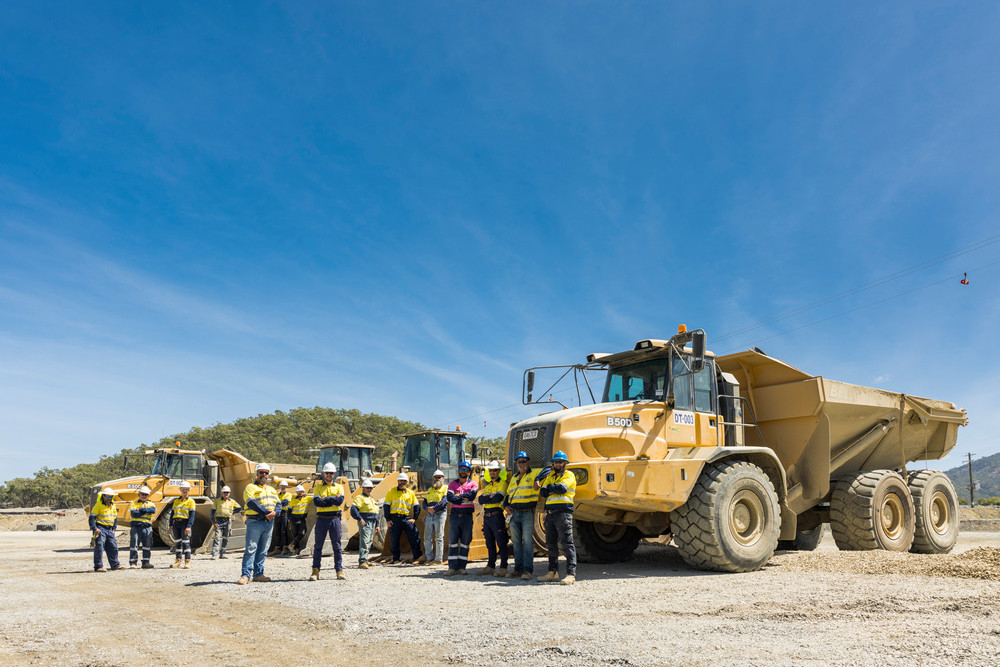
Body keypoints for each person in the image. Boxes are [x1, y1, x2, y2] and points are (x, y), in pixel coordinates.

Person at [537, 450, 577, 585]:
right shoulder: (551, 476)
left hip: (563, 514)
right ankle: (552, 572)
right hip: (550, 514)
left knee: (567, 544)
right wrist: (549, 487)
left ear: (565, 463)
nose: (558, 464)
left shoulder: (569, 475)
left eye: (560, 462)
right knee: (551, 544)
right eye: (555, 462)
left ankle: (571, 574)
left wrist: (549, 487)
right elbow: (542, 492)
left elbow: (562, 489)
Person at [239, 462, 279, 585]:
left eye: (266, 473)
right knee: (251, 549)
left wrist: (275, 513)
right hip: (255, 521)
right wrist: (266, 513)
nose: (263, 475)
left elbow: (279, 504)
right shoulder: (250, 487)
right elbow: (251, 502)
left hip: (269, 523)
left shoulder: (272, 490)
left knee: (263, 550)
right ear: (256, 474)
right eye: (261, 472)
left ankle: (258, 574)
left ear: (268, 475)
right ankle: (245, 575)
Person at [504, 450, 541, 580]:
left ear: (528, 462)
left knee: (528, 543)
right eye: (519, 462)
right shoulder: (514, 477)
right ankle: (518, 570)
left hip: (527, 513)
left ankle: (527, 571)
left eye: (524, 461)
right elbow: (509, 494)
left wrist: (538, 479)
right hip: (514, 514)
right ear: (517, 464)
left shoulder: (535, 472)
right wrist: (506, 506)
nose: (522, 464)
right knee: (516, 543)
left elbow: (548, 469)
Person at [310, 463, 346, 581]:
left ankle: (339, 571)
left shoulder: (339, 487)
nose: (329, 475)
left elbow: (339, 501)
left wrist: (325, 499)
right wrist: (333, 499)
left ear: (334, 474)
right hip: (322, 520)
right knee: (318, 546)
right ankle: (315, 571)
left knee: (337, 546)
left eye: (331, 473)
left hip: (335, 520)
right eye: (327, 473)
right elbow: (317, 502)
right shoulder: (318, 487)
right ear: (323, 474)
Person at [444, 461, 478, 576]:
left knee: (465, 542)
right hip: (455, 517)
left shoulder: (473, 484)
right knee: (453, 542)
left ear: (469, 472)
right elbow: (450, 497)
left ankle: (462, 567)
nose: (463, 472)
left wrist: (459, 495)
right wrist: (462, 498)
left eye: (465, 470)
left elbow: (472, 496)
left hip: (467, 517)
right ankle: (452, 567)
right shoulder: (452, 484)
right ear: (458, 470)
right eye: (461, 469)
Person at [477, 460, 509, 577]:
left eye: (495, 470)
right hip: (487, 516)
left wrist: (487, 498)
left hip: (496, 515)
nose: (492, 473)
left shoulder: (503, 483)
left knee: (501, 542)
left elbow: (498, 498)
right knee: (489, 543)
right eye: (490, 471)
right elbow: (480, 500)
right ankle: (490, 566)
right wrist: (488, 497)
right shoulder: (488, 485)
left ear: (499, 471)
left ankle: (503, 567)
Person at [383, 472, 422, 565]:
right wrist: (388, 520)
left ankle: (416, 557)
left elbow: (417, 506)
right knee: (394, 540)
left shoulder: (410, 493)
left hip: (406, 519)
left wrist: (414, 519)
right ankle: (396, 559)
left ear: (407, 482)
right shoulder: (391, 491)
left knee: (414, 537)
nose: (402, 482)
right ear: (398, 481)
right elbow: (386, 506)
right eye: (401, 480)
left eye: (404, 481)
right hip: (394, 519)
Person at [90, 487, 123, 572]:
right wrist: (95, 528)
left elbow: (115, 518)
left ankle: (115, 565)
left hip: (110, 529)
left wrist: (114, 529)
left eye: (111, 497)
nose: (109, 498)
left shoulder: (113, 505)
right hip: (100, 528)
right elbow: (92, 518)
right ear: (103, 496)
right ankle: (98, 567)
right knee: (99, 548)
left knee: (113, 547)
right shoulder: (98, 505)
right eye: (107, 496)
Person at [349, 478, 380, 569]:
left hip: (373, 521)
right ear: (363, 488)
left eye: (370, 488)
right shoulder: (360, 498)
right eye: (367, 488)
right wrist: (360, 519)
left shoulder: (371, 499)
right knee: (364, 541)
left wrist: (377, 525)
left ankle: (365, 560)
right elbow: (353, 510)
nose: (369, 490)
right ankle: (362, 561)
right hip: (365, 522)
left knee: (369, 541)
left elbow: (375, 512)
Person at [421, 469, 448, 565]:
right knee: (427, 537)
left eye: (439, 477)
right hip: (429, 514)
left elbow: (444, 501)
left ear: (443, 478)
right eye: (436, 477)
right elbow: (424, 502)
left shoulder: (445, 488)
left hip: (440, 514)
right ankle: (429, 557)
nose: (437, 479)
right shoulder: (430, 490)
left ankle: (438, 559)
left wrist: (435, 508)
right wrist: (427, 508)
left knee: (439, 537)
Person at [169, 481, 196, 569]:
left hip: (185, 523)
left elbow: (192, 515)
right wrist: (170, 526)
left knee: (186, 543)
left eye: (186, 489)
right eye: (183, 489)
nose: (185, 491)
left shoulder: (191, 501)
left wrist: (189, 526)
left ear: (189, 490)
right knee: (178, 543)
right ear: (180, 490)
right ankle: (178, 561)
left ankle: (187, 561)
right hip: (176, 523)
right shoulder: (176, 501)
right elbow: (172, 514)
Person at [128, 486, 156, 569]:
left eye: (146, 495)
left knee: (147, 545)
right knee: (134, 545)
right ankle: (133, 563)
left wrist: (140, 509)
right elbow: (134, 514)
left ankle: (146, 562)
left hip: (147, 527)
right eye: (142, 494)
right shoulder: (133, 503)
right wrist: (146, 510)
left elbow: (153, 510)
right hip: (136, 527)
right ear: (139, 494)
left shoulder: (151, 504)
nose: (144, 496)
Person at [210, 485, 240, 559]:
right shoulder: (217, 501)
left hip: (227, 521)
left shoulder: (232, 502)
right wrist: (213, 522)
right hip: (219, 521)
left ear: (229, 493)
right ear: (222, 493)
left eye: (227, 492)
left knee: (226, 537)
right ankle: (214, 554)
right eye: (224, 492)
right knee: (217, 537)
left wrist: (232, 512)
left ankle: (223, 554)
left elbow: (239, 508)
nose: (226, 494)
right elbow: (212, 512)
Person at [270, 480, 292, 556]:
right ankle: (277, 548)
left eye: (284, 487)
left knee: (284, 531)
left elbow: (285, 502)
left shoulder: (288, 495)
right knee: (277, 531)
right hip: (277, 515)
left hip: (284, 514)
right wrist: (279, 504)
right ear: (280, 487)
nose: (283, 488)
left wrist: (278, 504)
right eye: (282, 486)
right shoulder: (277, 495)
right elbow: (274, 502)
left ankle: (285, 548)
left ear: (286, 487)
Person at [287, 484, 310, 555]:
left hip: (302, 518)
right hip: (293, 519)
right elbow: (289, 510)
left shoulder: (307, 499)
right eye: (299, 491)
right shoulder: (293, 501)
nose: (300, 493)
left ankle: (292, 544)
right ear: (296, 492)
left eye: (301, 491)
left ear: (303, 492)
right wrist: (289, 519)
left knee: (302, 533)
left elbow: (315, 496)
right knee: (295, 534)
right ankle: (296, 550)